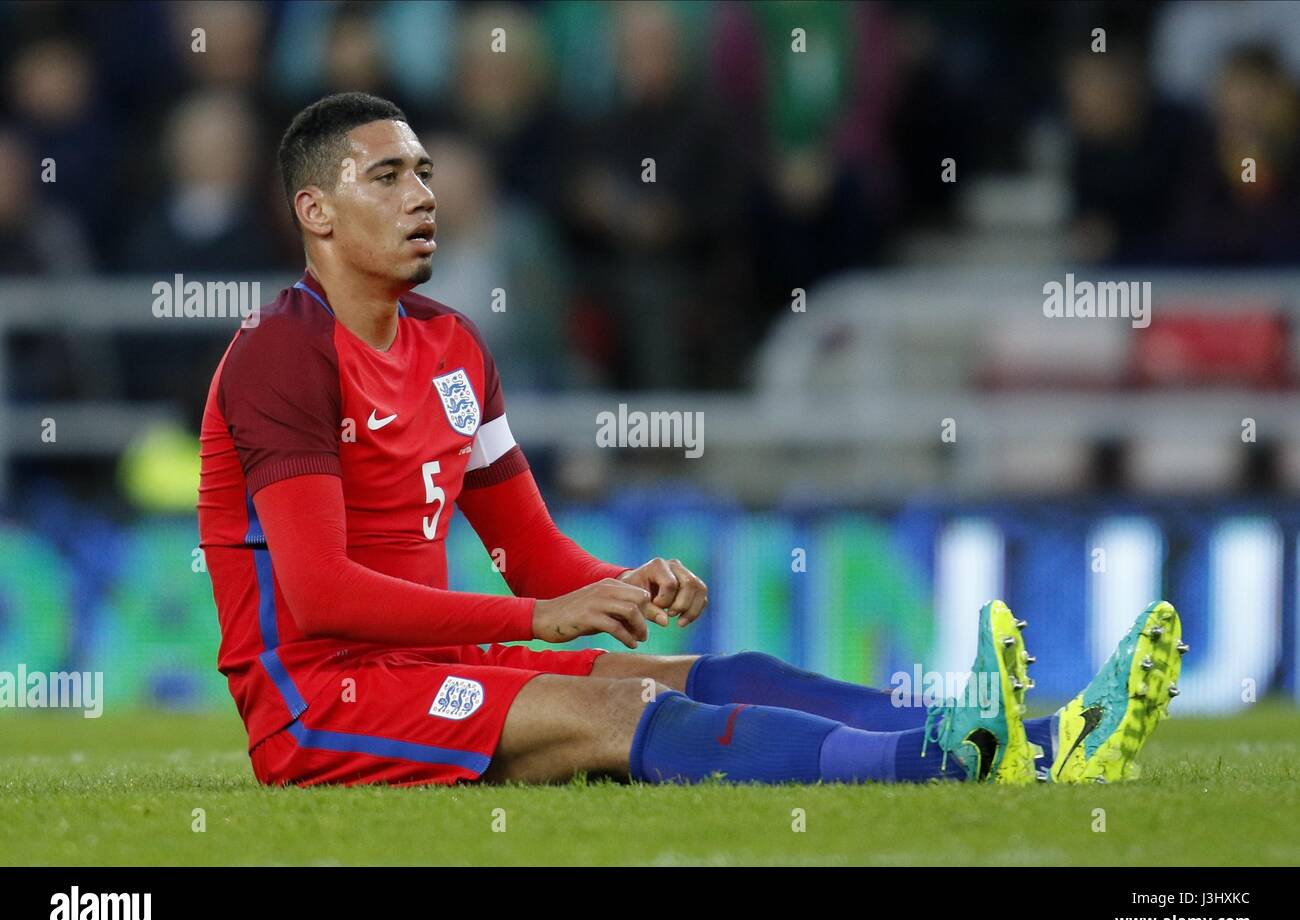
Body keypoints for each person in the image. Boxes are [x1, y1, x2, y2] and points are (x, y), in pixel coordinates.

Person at [197, 93, 1186, 788]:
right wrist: (538, 619)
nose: (423, 194)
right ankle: (946, 761)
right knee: (618, 718)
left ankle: (1036, 737)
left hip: (438, 664)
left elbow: (529, 550)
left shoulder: (451, 345)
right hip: (321, 698)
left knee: (707, 672)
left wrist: (620, 583)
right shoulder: (283, 356)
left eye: (424, 171)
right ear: (314, 211)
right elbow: (319, 596)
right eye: (387, 177)